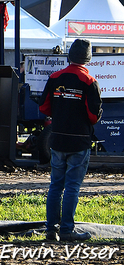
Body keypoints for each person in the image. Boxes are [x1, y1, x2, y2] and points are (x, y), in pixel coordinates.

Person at [39, 39, 102, 242]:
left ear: (69, 55)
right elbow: (93, 115)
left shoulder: (55, 77)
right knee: (72, 186)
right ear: (88, 58)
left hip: (57, 139)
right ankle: (66, 230)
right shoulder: (90, 82)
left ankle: (51, 230)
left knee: (55, 186)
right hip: (79, 141)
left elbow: (44, 107)